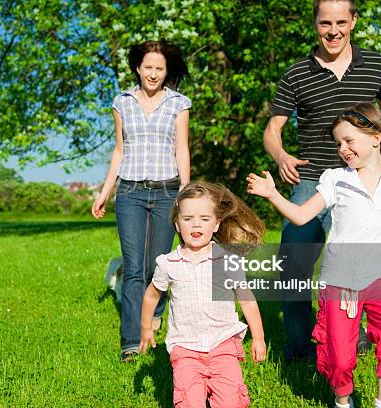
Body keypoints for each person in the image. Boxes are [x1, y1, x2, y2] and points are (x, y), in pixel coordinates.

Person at [248, 102, 381, 408]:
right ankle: (342, 400)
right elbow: (302, 215)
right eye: (338, 143)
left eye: (348, 140)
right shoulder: (336, 179)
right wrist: (273, 194)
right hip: (340, 281)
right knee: (340, 358)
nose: (343, 148)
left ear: (375, 137)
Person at [263, 0, 381, 363]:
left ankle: (355, 337)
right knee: (292, 267)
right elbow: (273, 129)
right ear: (315, 24)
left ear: (354, 21)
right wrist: (281, 156)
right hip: (313, 180)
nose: (334, 31)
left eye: (341, 22)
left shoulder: (375, 65)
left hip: (362, 183)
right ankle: (299, 348)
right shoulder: (296, 74)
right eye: (326, 23)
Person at [91, 40, 191, 362]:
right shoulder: (122, 102)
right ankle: (131, 341)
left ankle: (156, 310)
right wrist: (105, 191)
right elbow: (119, 151)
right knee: (134, 268)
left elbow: (181, 149)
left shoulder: (178, 103)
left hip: (166, 192)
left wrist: (185, 193)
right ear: (138, 68)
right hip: (131, 192)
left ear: (166, 71)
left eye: (159, 68)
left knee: (157, 265)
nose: (153, 73)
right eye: (147, 67)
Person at [139, 182, 267, 408]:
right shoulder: (168, 263)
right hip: (185, 348)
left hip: (223, 344)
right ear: (177, 224)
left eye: (204, 219)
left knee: (230, 402)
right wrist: (146, 327)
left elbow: (246, 300)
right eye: (188, 219)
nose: (195, 224)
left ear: (217, 224)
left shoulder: (228, 260)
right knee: (189, 402)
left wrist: (258, 338)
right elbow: (151, 295)